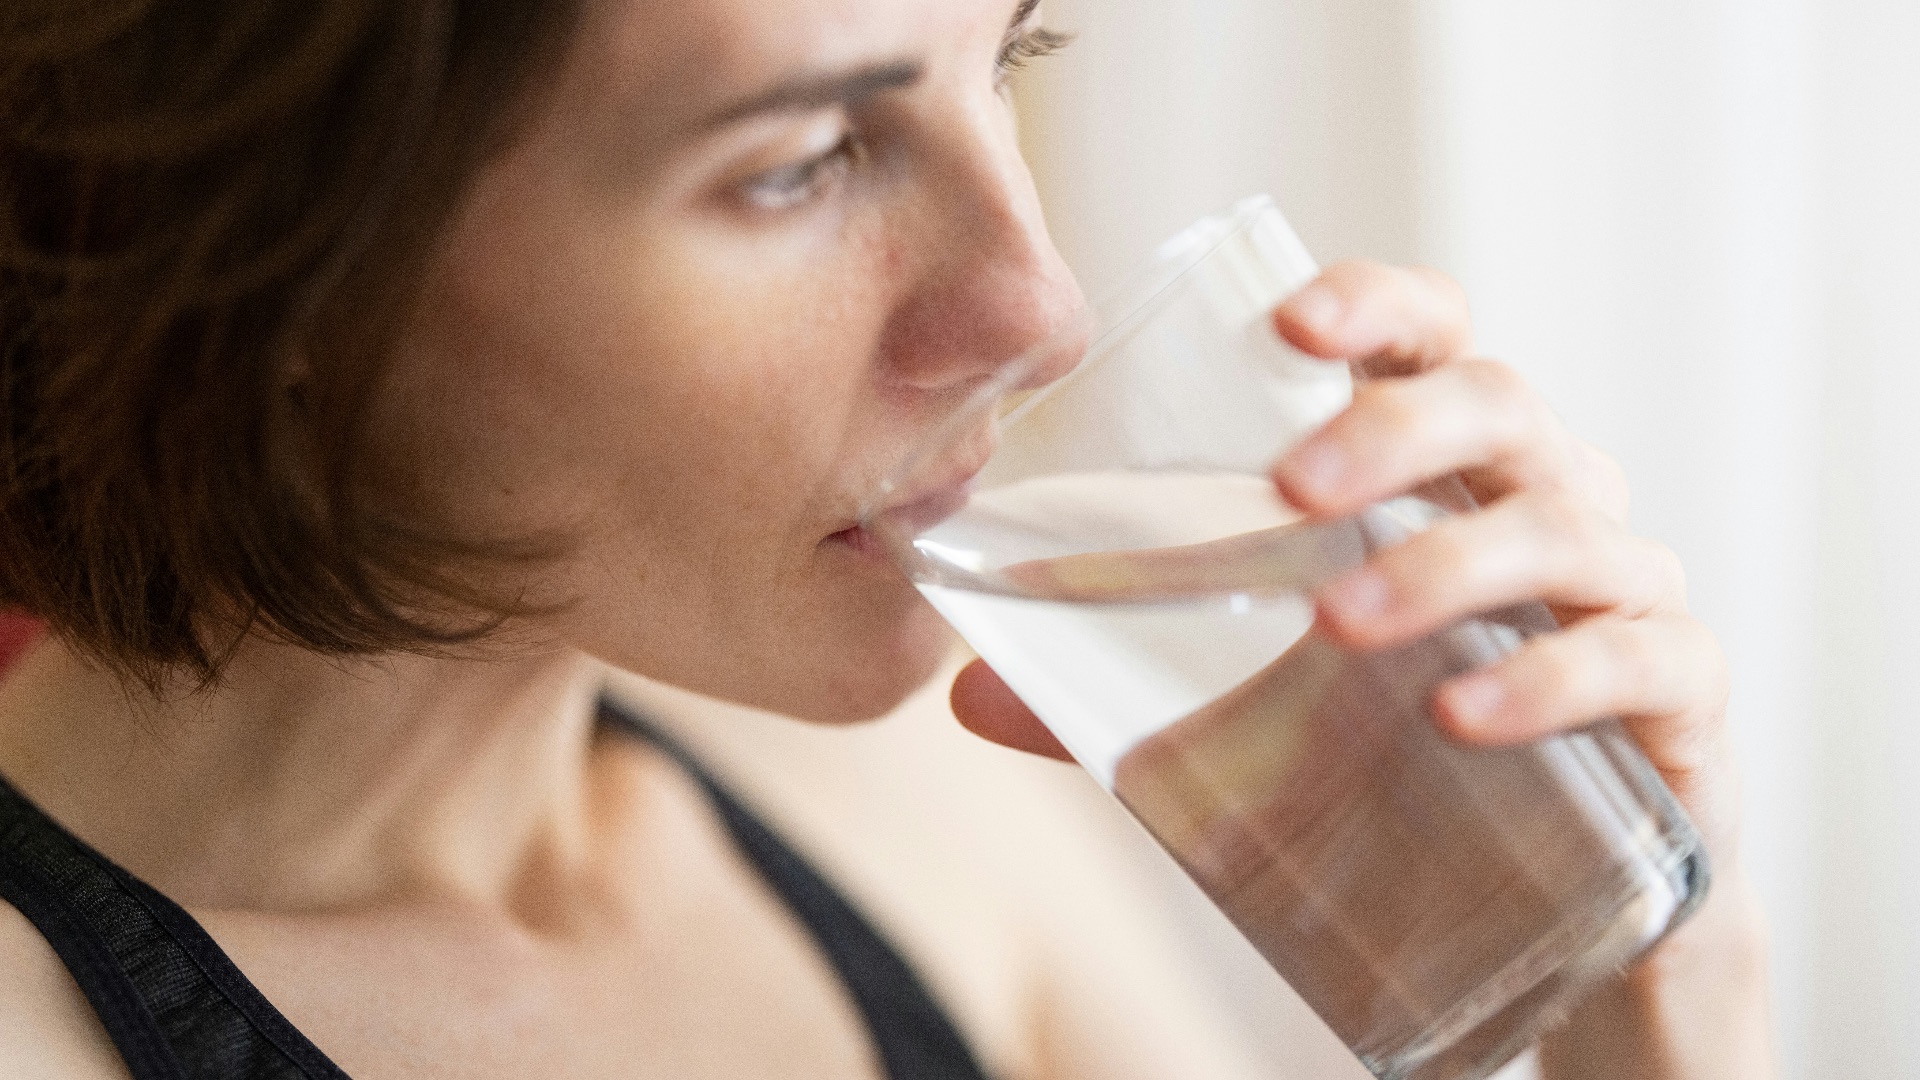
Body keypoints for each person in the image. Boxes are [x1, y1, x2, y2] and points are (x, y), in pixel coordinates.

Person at [0, 0, 1775, 1077]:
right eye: (800, 159)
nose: (1041, 305)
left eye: (1002, 57)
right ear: (265, 265)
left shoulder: (908, 811)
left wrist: (1658, 972)